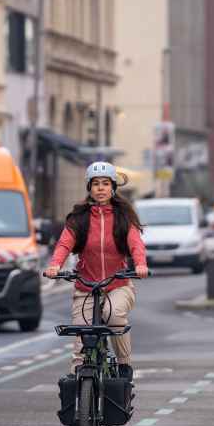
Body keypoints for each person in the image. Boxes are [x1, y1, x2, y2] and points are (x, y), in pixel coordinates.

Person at [43, 162, 149, 379]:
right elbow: (65, 243)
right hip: (86, 286)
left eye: (105, 183)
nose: (101, 188)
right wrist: (55, 265)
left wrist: (140, 264)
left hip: (118, 285)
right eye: (96, 184)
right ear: (89, 188)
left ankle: (123, 364)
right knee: (82, 334)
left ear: (113, 188)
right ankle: (76, 385)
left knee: (114, 315)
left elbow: (135, 243)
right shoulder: (79, 217)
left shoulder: (123, 217)